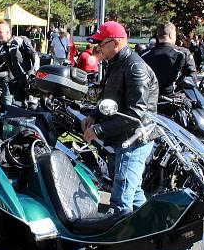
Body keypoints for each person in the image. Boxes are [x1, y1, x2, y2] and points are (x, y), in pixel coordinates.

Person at [81, 21, 158, 214]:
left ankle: (119, 241)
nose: (98, 48)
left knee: (121, 200)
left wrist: (98, 130)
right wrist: (94, 115)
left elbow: (135, 114)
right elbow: (110, 99)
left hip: (134, 139)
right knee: (134, 192)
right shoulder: (116, 63)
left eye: (101, 43)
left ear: (115, 43)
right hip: (124, 138)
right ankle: (150, 232)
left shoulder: (134, 68)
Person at [0, 21, 38, 105]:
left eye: (0, 32)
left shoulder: (20, 40)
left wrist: (33, 72)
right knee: (17, 107)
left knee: (32, 106)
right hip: (17, 83)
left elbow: (34, 55)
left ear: (8, 32)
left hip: (29, 80)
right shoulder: (2, 49)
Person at [142, 22, 197, 96]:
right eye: (175, 35)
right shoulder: (183, 53)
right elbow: (192, 78)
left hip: (148, 100)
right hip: (172, 101)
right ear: (171, 35)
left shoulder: (145, 54)